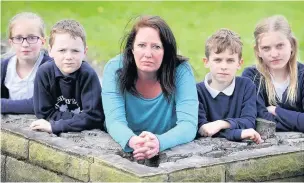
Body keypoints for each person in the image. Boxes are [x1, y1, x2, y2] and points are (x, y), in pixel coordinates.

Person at [102, 15, 198, 160]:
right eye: (141, 45)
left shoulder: (181, 71)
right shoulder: (115, 68)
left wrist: (159, 142)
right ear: (132, 49)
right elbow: (114, 121)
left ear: (166, 51)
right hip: (128, 145)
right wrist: (133, 141)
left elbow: (188, 125)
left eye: (156, 47)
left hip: (166, 147)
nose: (148, 54)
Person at [30, 19, 105, 135]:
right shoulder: (44, 73)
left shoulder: (88, 75)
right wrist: (79, 119)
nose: (68, 56)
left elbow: (94, 117)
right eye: (62, 50)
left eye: (75, 51)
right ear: (50, 51)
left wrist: (56, 126)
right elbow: (43, 113)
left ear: (84, 52)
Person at [197, 28, 262, 144]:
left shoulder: (246, 86)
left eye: (230, 60)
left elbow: (248, 121)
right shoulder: (197, 92)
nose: (224, 66)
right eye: (217, 60)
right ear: (206, 62)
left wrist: (220, 124)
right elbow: (203, 129)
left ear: (239, 63)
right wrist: (237, 133)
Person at [242, 15, 304, 132]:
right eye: (266, 48)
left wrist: (276, 111)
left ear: (292, 45)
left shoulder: (302, 75)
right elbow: (257, 119)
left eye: (280, 46)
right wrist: (296, 119)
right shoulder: (251, 77)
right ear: (258, 51)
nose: (274, 54)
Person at [1, 12, 51, 114]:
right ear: (11, 42)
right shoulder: (4, 67)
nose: (25, 44)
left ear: (43, 41)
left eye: (32, 38)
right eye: (18, 38)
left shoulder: (50, 68)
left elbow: (39, 104)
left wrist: (2, 105)